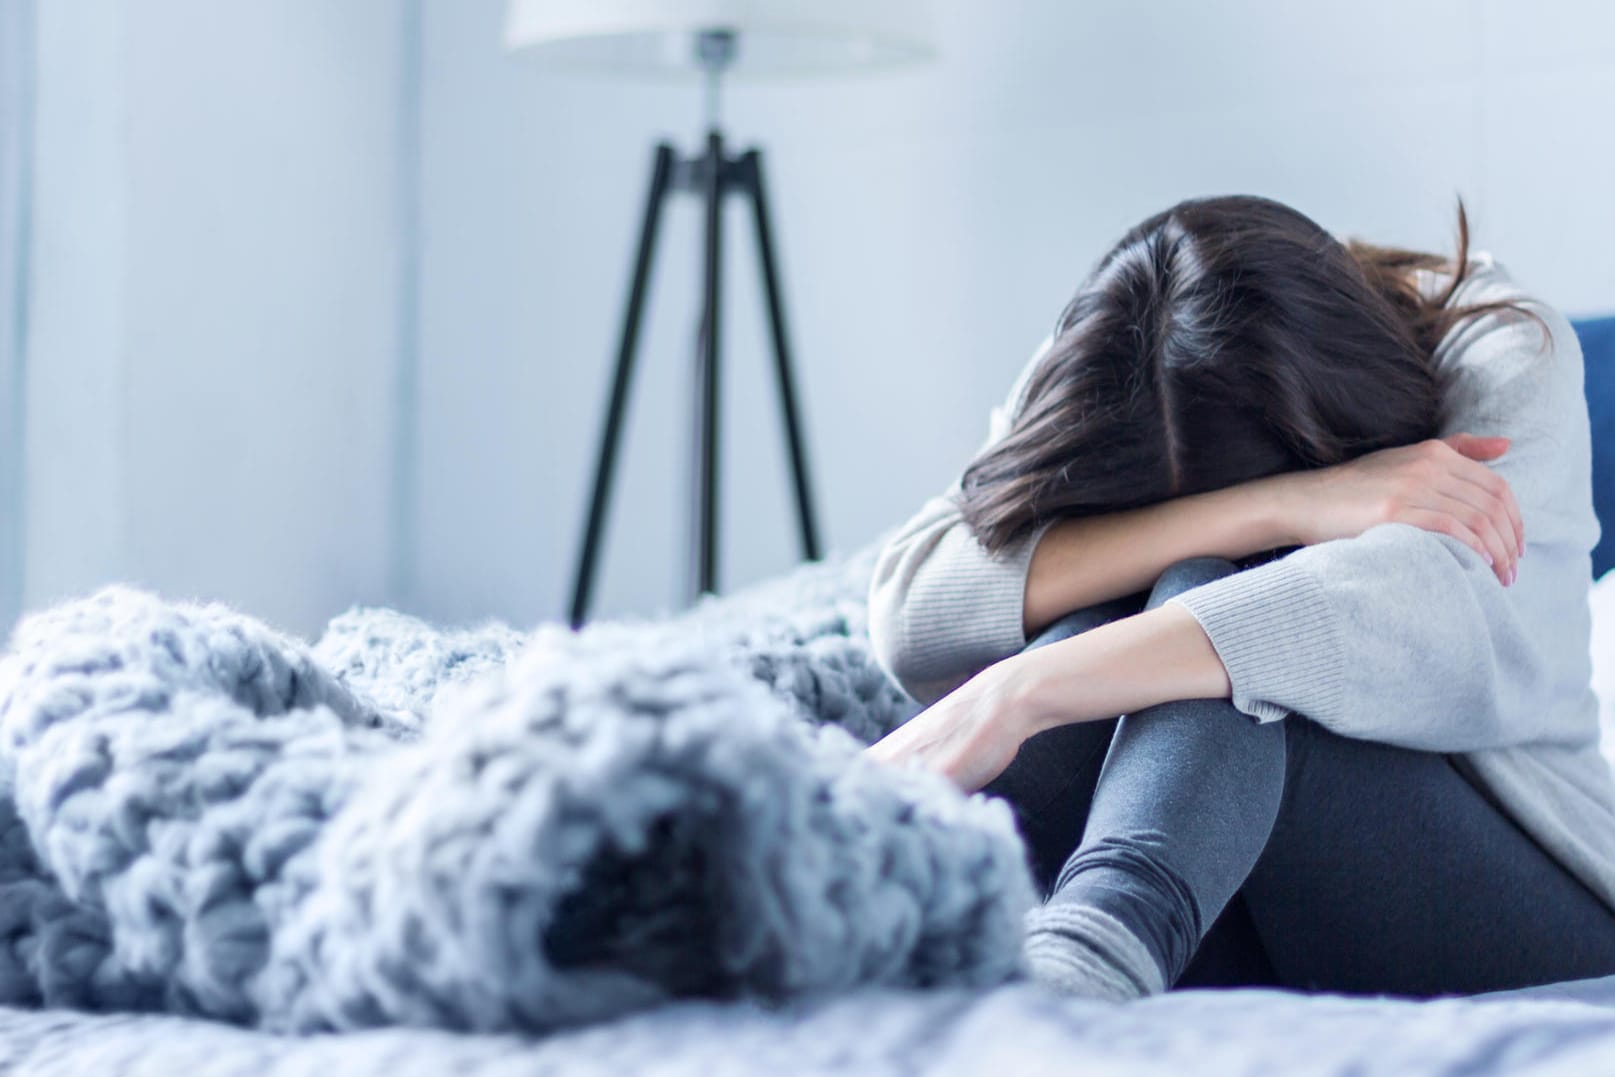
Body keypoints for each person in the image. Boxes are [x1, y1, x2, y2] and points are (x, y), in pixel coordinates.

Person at [861, 194, 1615, 1002]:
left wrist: (1020, 689)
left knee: (1222, 631)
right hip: (1221, 882)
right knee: (1126, 615)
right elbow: (912, 604)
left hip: (1531, 892)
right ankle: (847, 892)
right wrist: (1282, 506)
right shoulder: (1120, 357)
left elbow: (1401, 612)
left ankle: (1075, 976)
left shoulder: (1503, 351)